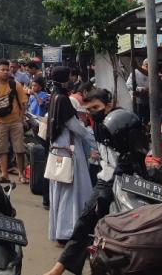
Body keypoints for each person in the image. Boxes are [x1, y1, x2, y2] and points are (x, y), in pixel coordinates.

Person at [44, 96, 138, 275]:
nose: (92, 112)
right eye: (89, 108)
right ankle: (60, 267)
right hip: (105, 181)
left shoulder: (123, 123)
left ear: (108, 105)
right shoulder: (96, 127)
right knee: (84, 224)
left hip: (124, 183)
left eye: (96, 106)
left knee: (114, 231)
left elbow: (131, 159)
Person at [47, 67, 97, 245]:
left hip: (58, 151)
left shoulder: (54, 96)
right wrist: (95, 141)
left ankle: (63, 231)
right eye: (69, 76)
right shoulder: (63, 99)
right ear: (64, 78)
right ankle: (67, 232)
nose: (71, 79)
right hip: (68, 152)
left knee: (61, 192)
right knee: (71, 192)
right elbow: (76, 127)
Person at [0, 59, 28, 183]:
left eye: (7, 70)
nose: (5, 72)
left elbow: (24, 103)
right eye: (2, 70)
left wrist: (21, 118)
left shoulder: (16, 85)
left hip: (15, 122)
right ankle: (4, 175)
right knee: (2, 150)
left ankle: (21, 174)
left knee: (19, 149)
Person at [127, 59, 150, 124]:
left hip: (149, 101)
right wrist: (140, 89)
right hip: (138, 102)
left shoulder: (151, 73)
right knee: (138, 120)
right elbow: (128, 85)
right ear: (146, 65)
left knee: (147, 121)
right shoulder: (135, 73)